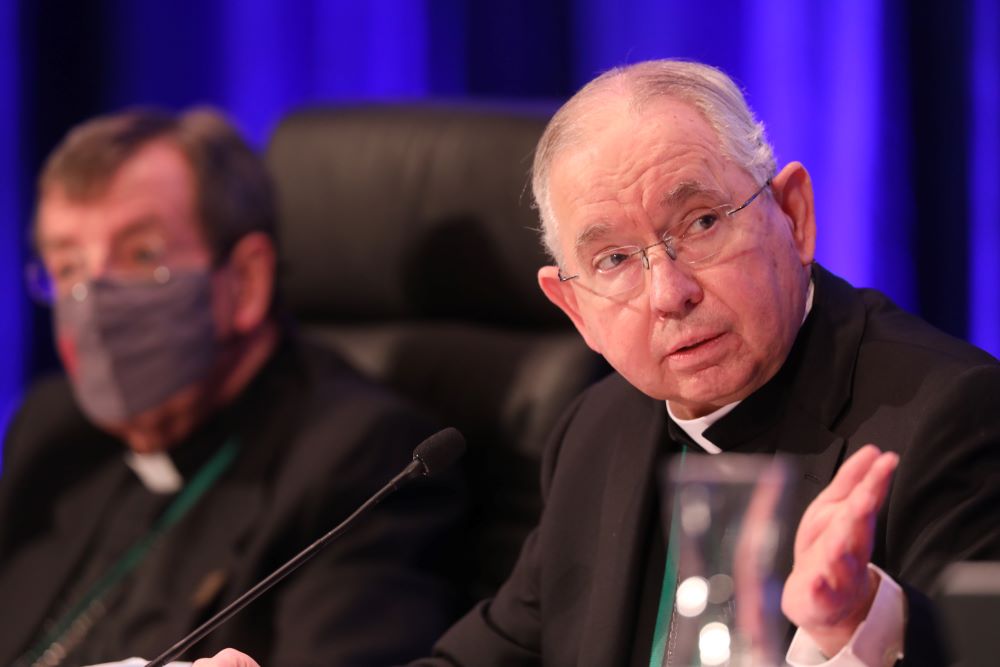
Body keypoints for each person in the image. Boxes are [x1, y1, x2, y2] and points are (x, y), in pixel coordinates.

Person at [193, 60, 1000, 667]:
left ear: (792, 215)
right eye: (613, 260)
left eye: (705, 221)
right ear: (573, 308)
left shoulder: (947, 416)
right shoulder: (598, 429)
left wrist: (857, 622)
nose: (670, 292)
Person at [0, 108, 466, 667]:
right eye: (68, 266)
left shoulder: (357, 458)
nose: (94, 302)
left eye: (141, 255)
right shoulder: (54, 430)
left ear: (246, 281)